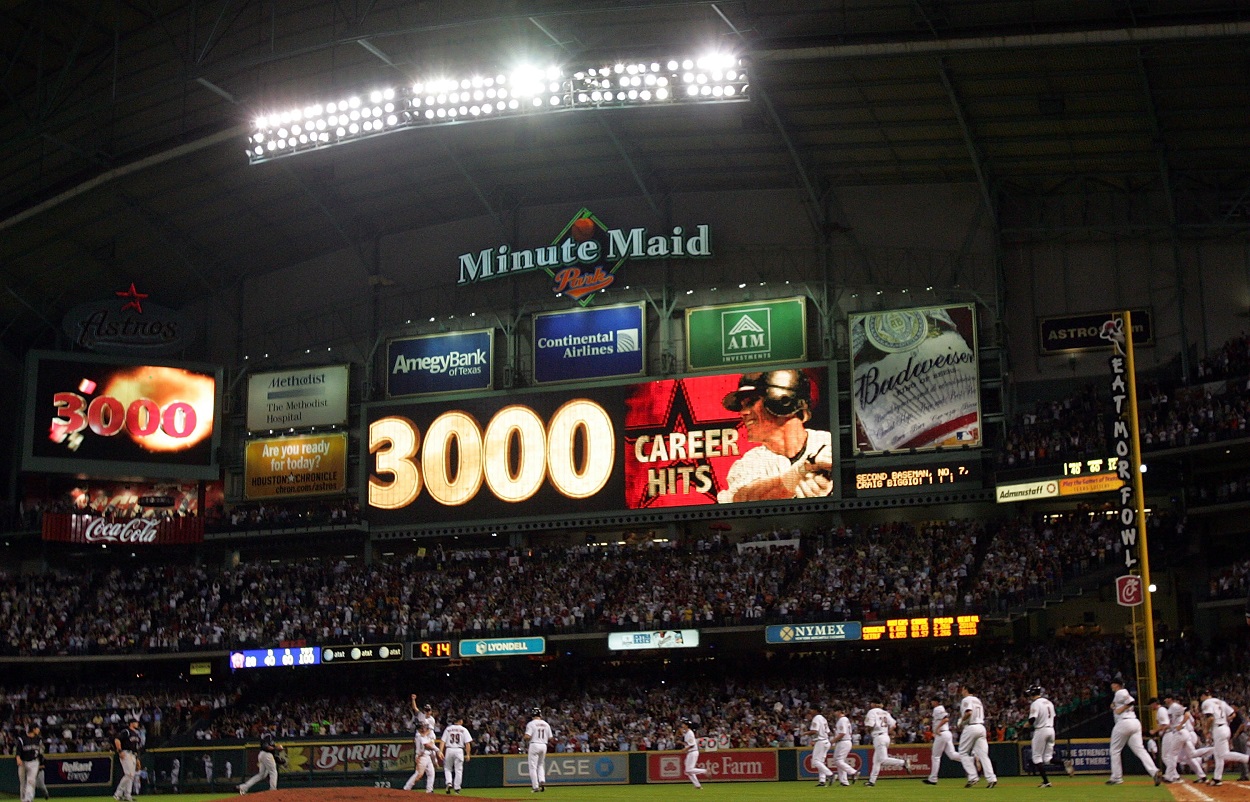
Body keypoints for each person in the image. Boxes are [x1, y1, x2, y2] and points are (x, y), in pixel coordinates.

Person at [716, 370, 834, 503]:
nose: (742, 413)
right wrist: (800, 472)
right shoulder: (750, 462)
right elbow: (743, 498)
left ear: (782, 401)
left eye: (750, 402)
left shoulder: (830, 443)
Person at [1107, 678, 1162, 786]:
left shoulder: (1120, 692)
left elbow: (1131, 701)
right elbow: (1125, 701)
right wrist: (1114, 706)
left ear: (1116, 685)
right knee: (1140, 750)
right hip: (1134, 723)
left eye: (1112, 684)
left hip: (1124, 723)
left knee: (1115, 750)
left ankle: (1117, 777)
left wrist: (1121, 709)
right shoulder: (1121, 693)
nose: (1111, 686)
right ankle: (1154, 771)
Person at [1026, 686, 1073, 787]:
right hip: (1051, 729)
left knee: (1037, 758)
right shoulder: (1048, 702)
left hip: (1041, 730)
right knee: (1047, 758)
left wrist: (1025, 726)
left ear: (1032, 694)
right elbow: (1055, 717)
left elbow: (1032, 719)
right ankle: (1064, 762)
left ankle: (1046, 781)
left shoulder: (1035, 703)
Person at [1199, 690, 1249, 785]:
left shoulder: (1206, 702)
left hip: (1218, 729)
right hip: (1225, 727)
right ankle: (1217, 778)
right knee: (1218, 755)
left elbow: (1210, 718)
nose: (1201, 699)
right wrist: (1224, 719)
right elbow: (1232, 714)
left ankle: (1247, 758)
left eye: (1201, 696)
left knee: (1223, 755)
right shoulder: (1221, 701)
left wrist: (1205, 730)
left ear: (1204, 696)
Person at [956, 684, 997, 788]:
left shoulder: (966, 699)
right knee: (984, 755)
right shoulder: (977, 700)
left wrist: (961, 721)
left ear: (966, 690)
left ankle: (973, 777)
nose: (961, 691)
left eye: (963, 689)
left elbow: (969, 712)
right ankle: (991, 778)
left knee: (963, 752)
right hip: (981, 727)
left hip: (971, 727)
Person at [862, 698, 906, 786]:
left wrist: (868, 731)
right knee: (876, 761)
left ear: (874, 704)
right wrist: (887, 732)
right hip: (885, 736)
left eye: (871, 703)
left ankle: (903, 762)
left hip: (878, 736)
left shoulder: (872, 712)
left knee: (883, 760)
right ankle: (872, 781)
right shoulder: (885, 712)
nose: (871, 705)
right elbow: (894, 724)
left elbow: (870, 725)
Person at [923, 695, 959, 785]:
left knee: (935, 757)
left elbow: (946, 718)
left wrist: (937, 728)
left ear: (936, 702)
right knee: (952, 755)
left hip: (942, 734)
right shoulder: (940, 708)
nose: (931, 703)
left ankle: (933, 779)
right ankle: (970, 759)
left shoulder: (938, 708)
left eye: (932, 701)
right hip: (946, 733)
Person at [237, 726, 283, 794]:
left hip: (262, 754)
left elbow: (267, 746)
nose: (275, 727)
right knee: (273, 772)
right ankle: (273, 790)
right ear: (270, 726)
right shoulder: (268, 734)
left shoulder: (266, 734)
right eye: (274, 725)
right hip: (266, 754)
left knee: (261, 775)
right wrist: (276, 748)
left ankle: (243, 787)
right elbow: (265, 746)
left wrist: (275, 756)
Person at [404, 722, 442, 793]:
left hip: (427, 756)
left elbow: (430, 743)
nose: (425, 728)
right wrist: (437, 750)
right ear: (420, 728)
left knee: (431, 773)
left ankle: (429, 790)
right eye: (423, 727)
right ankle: (407, 788)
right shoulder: (419, 735)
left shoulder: (423, 735)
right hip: (421, 757)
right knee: (419, 774)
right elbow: (427, 745)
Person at [441, 714, 473, 794]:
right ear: (460, 721)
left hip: (449, 749)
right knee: (458, 770)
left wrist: (440, 751)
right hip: (459, 750)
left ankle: (449, 782)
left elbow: (442, 741)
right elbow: (467, 743)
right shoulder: (464, 730)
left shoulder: (448, 729)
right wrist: (468, 754)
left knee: (447, 768)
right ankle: (457, 789)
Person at [524, 708, 552, 793]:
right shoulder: (546, 724)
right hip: (544, 745)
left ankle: (535, 787)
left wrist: (525, 738)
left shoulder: (531, 724)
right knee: (540, 765)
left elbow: (527, 736)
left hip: (534, 744)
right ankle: (542, 781)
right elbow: (550, 737)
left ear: (532, 715)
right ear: (540, 715)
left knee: (533, 767)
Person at [113, 719, 142, 802]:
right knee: (128, 774)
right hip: (126, 753)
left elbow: (136, 748)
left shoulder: (136, 734)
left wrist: (137, 760)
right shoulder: (126, 731)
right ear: (131, 723)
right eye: (136, 722)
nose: (137, 724)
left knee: (131, 776)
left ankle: (127, 795)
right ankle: (117, 794)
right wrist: (119, 751)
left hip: (133, 755)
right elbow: (117, 739)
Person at [807, 705, 835, 787]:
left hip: (821, 741)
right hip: (826, 741)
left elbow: (814, 731)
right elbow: (828, 732)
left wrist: (806, 733)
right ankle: (822, 781)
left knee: (815, 761)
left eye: (811, 709)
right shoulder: (823, 718)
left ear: (816, 710)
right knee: (821, 762)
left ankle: (830, 775)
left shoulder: (816, 718)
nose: (810, 711)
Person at [830, 704, 858, 786]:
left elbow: (842, 733)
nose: (834, 713)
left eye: (835, 711)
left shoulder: (842, 720)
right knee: (839, 761)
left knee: (838, 760)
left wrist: (832, 741)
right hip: (844, 741)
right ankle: (844, 781)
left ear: (839, 711)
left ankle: (853, 772)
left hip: (843, 741)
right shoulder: (843, 719)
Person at [678, 717, 708, 789]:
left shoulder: (690, 733)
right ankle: (697, 785)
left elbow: (692, 745)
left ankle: (705, 771)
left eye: (683, 724)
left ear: (686, 725)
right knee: (688, 771)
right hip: (691, 752)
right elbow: (688, 743)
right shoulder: (687, 733)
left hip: (693, 752)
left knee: (688, 770)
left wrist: (684, 750)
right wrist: (681, 742)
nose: (682, 725)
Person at [15, 722, 41, 802]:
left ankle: (28, 799)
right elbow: (18, 751)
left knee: (31, 781)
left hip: (33, 762)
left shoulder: (38, 739)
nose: (38, 730)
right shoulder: (22, 739)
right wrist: (18, 759)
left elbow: (39, 752)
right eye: (37, 728)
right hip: (23, 762)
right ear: (33, 729)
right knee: (23, 783)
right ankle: (23, 800)